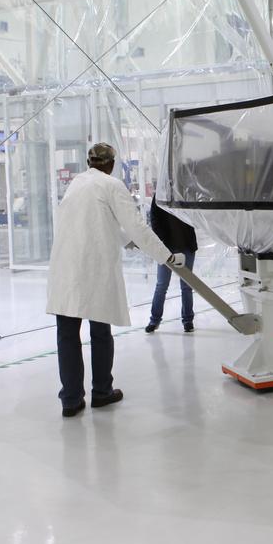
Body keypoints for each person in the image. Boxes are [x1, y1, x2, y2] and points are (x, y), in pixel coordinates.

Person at [46, 143, 177, 417]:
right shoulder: (112, 185)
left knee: (67, 336)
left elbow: (98, 221)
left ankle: (70, 400)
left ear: (88, 162)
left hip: (65, 270)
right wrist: (165, 256)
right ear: (112, 163)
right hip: (93, 270)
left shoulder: (76, 185)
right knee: (100, 332)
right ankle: (102, 392)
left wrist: (126, 241)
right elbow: (136, 226)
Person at [145, 199, 198, 333]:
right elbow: (154, 219)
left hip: (187, 245)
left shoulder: (183, 193)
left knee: (186, 286)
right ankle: (154, 320)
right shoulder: (159, 196)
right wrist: (162, 243)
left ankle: (188, 321)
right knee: (162, 285)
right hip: (166, 248)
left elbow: (193, 215)